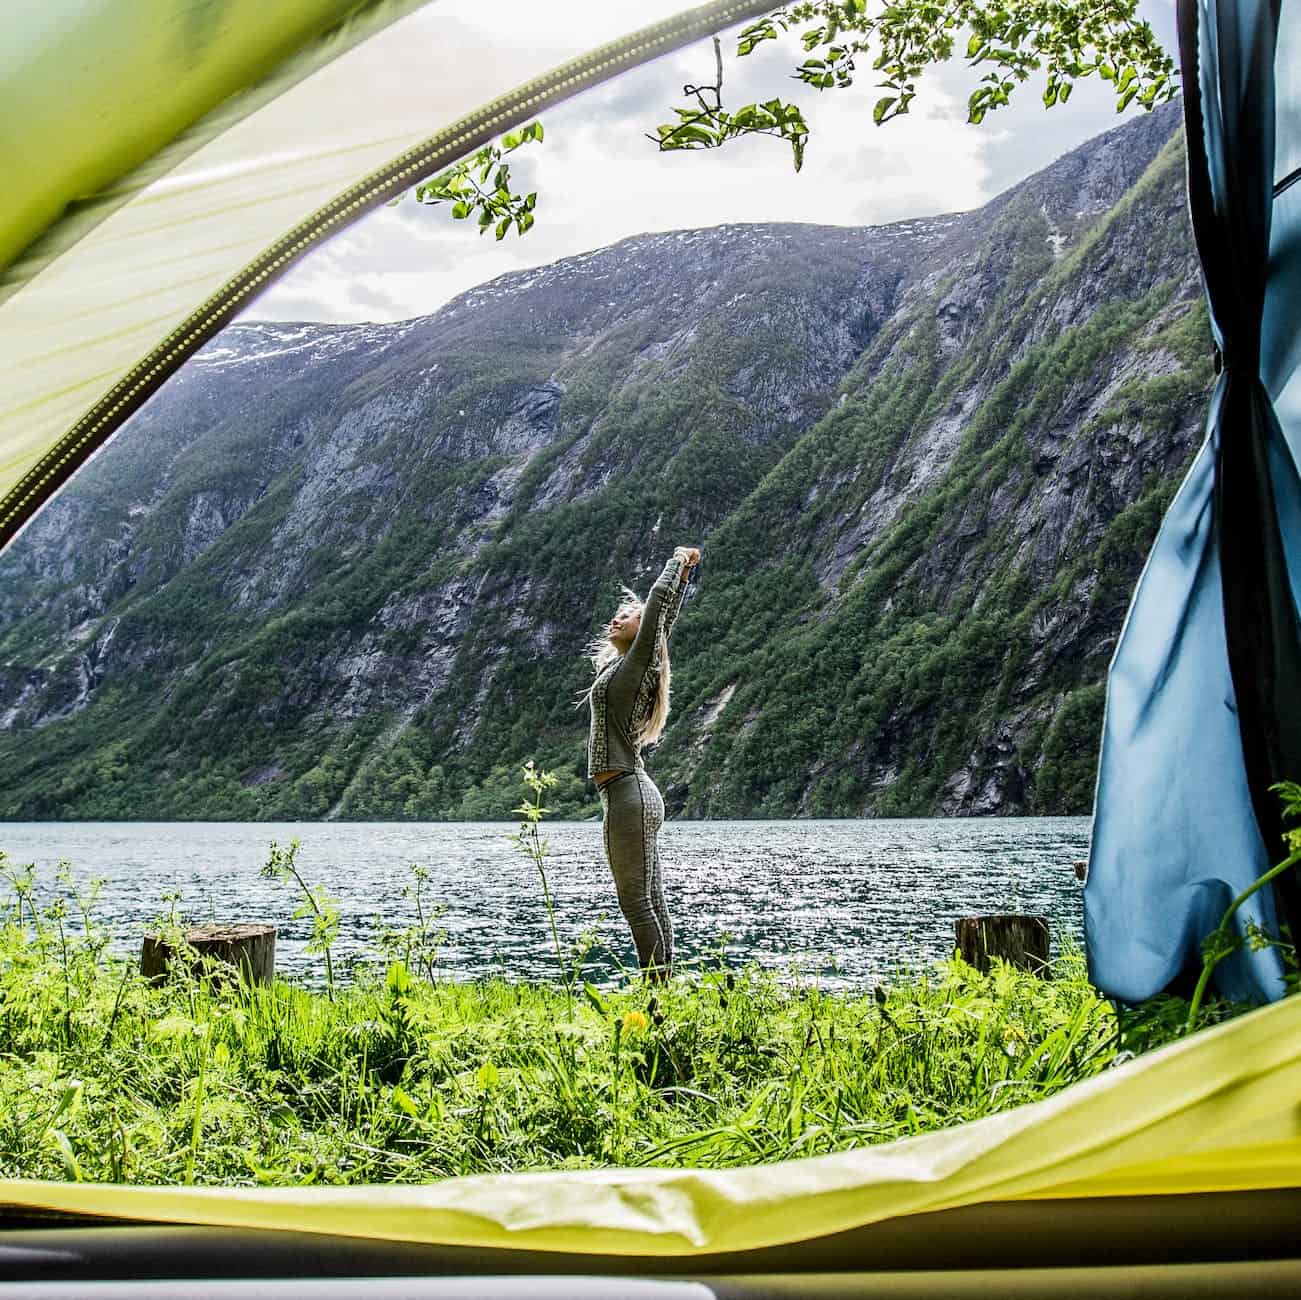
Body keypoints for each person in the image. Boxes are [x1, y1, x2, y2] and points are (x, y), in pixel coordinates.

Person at [581, 545, 700, 980]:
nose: (617, 619)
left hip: (629, 793)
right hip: (632, 791)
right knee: (650, 898)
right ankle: (664, 990)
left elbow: (660, 610)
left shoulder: (639, 662)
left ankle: (655, 994)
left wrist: (678, 562)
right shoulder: (626, 668)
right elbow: (664, 617)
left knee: (636, 901)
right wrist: (685, 578)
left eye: (628, 616)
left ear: (641, 629)